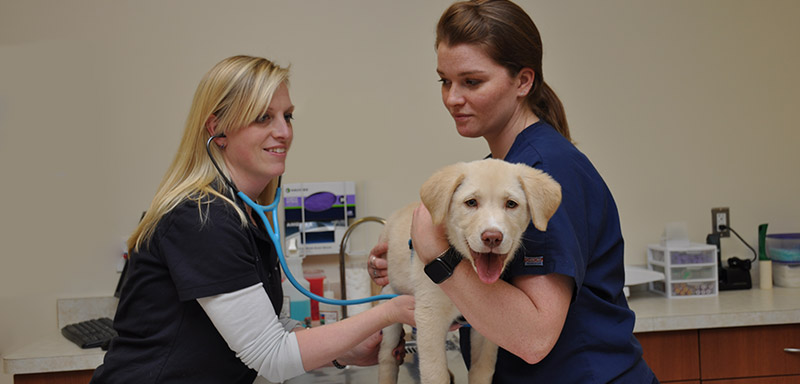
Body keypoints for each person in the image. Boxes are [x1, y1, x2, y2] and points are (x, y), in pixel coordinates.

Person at [367, 1, 658, 382]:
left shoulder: (542, 172)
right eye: (445, 81)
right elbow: (487, 288)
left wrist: (438, 259)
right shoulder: (501, 170)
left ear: (523, 81)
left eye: (472, 82)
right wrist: (410, 261)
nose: (453, 98)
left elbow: (534, 336)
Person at [91, 55, 415, 384]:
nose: (284, 132)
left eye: (287, 116)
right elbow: (271, 356)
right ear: (217, 131)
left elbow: (264, 327)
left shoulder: (243, 214)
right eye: (263, 118)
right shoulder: (201, 218)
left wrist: (342, 351)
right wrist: (390, 311)